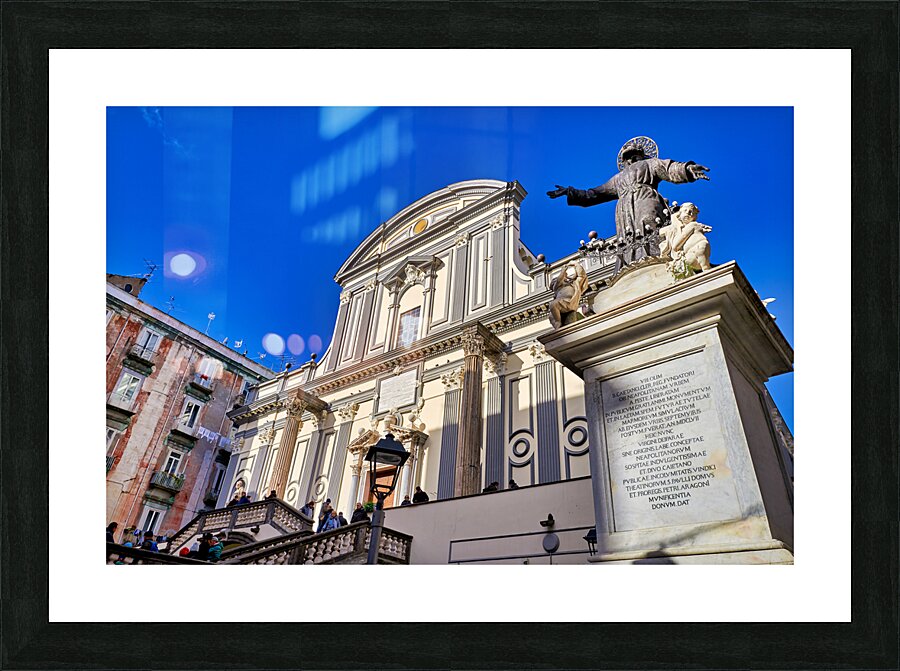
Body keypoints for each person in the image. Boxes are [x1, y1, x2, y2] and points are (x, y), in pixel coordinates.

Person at [547, 137, 709, 265]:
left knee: (650, 227)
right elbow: (594, 194)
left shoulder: (650, 164)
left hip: (646, 199)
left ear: (641, 155)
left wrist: (687, 170)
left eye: (633, 156)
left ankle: (658, 258)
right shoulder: (618, 179)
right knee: (628, 237)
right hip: (624, 209)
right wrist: (570, 191)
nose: (630, 161)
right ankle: (631, 264)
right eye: (627, 158)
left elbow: (669, 168)